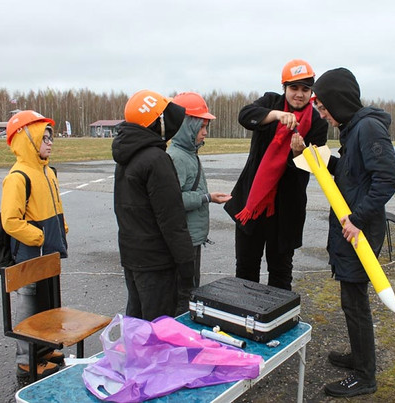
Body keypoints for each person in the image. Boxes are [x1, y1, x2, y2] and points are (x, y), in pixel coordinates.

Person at [312, 67, 395, 398]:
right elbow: (352, 176)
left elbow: (388, 178)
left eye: (324, 108)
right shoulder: (354, 130)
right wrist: (321, 160)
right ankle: (358, 357)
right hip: (353, 227)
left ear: (339, 101)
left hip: (360, 231)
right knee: (350, 298)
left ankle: (365, 375)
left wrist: (358, 219)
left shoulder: (368, 128)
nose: (323, 115)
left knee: (354, 300)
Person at [224, 59, 328, 290]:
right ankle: (245, 312)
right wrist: (276, 115)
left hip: (287, 209)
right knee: (245, 270)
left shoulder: (318, 123)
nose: (299, 94)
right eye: (294, 88)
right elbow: (245, 116)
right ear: (284, 87)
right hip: (252, 202)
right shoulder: (271, 102)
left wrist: (297, 154)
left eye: (305, 89)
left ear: (311, 92)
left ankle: (278, 314)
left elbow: (312, 167)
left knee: (280, 273)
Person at [112, 89, 195, 322]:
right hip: (156, 262)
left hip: (133, 256)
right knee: (157, 326)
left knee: (136, 320)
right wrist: (186, 265)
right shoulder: (156, 159)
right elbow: (172, 219)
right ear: (156, 121)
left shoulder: (127, 155)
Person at [1, 110, 69, 379]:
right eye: (44, 138)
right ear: (27, 140)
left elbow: (56, 205)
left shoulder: (47, 172)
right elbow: (10, 220)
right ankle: (26, 359)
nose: (50, 143)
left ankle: (44, 349)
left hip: (48, 252)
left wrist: (61, 228)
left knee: (47, 302)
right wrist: (39, 237)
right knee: (29, 305)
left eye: (51, 138)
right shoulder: (18, 177)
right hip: (31, 254)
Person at [167, 92, 232, 314]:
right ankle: (179, 331)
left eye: (206, 127)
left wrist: (209, 196)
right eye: (201, 127)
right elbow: (173, 200)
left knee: (189, 289)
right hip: (184, 240)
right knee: (183, 295)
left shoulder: (188, 153)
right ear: (186, 126)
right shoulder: (177, 157)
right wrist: (207, 197)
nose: (205, 132)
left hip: (192, 239)